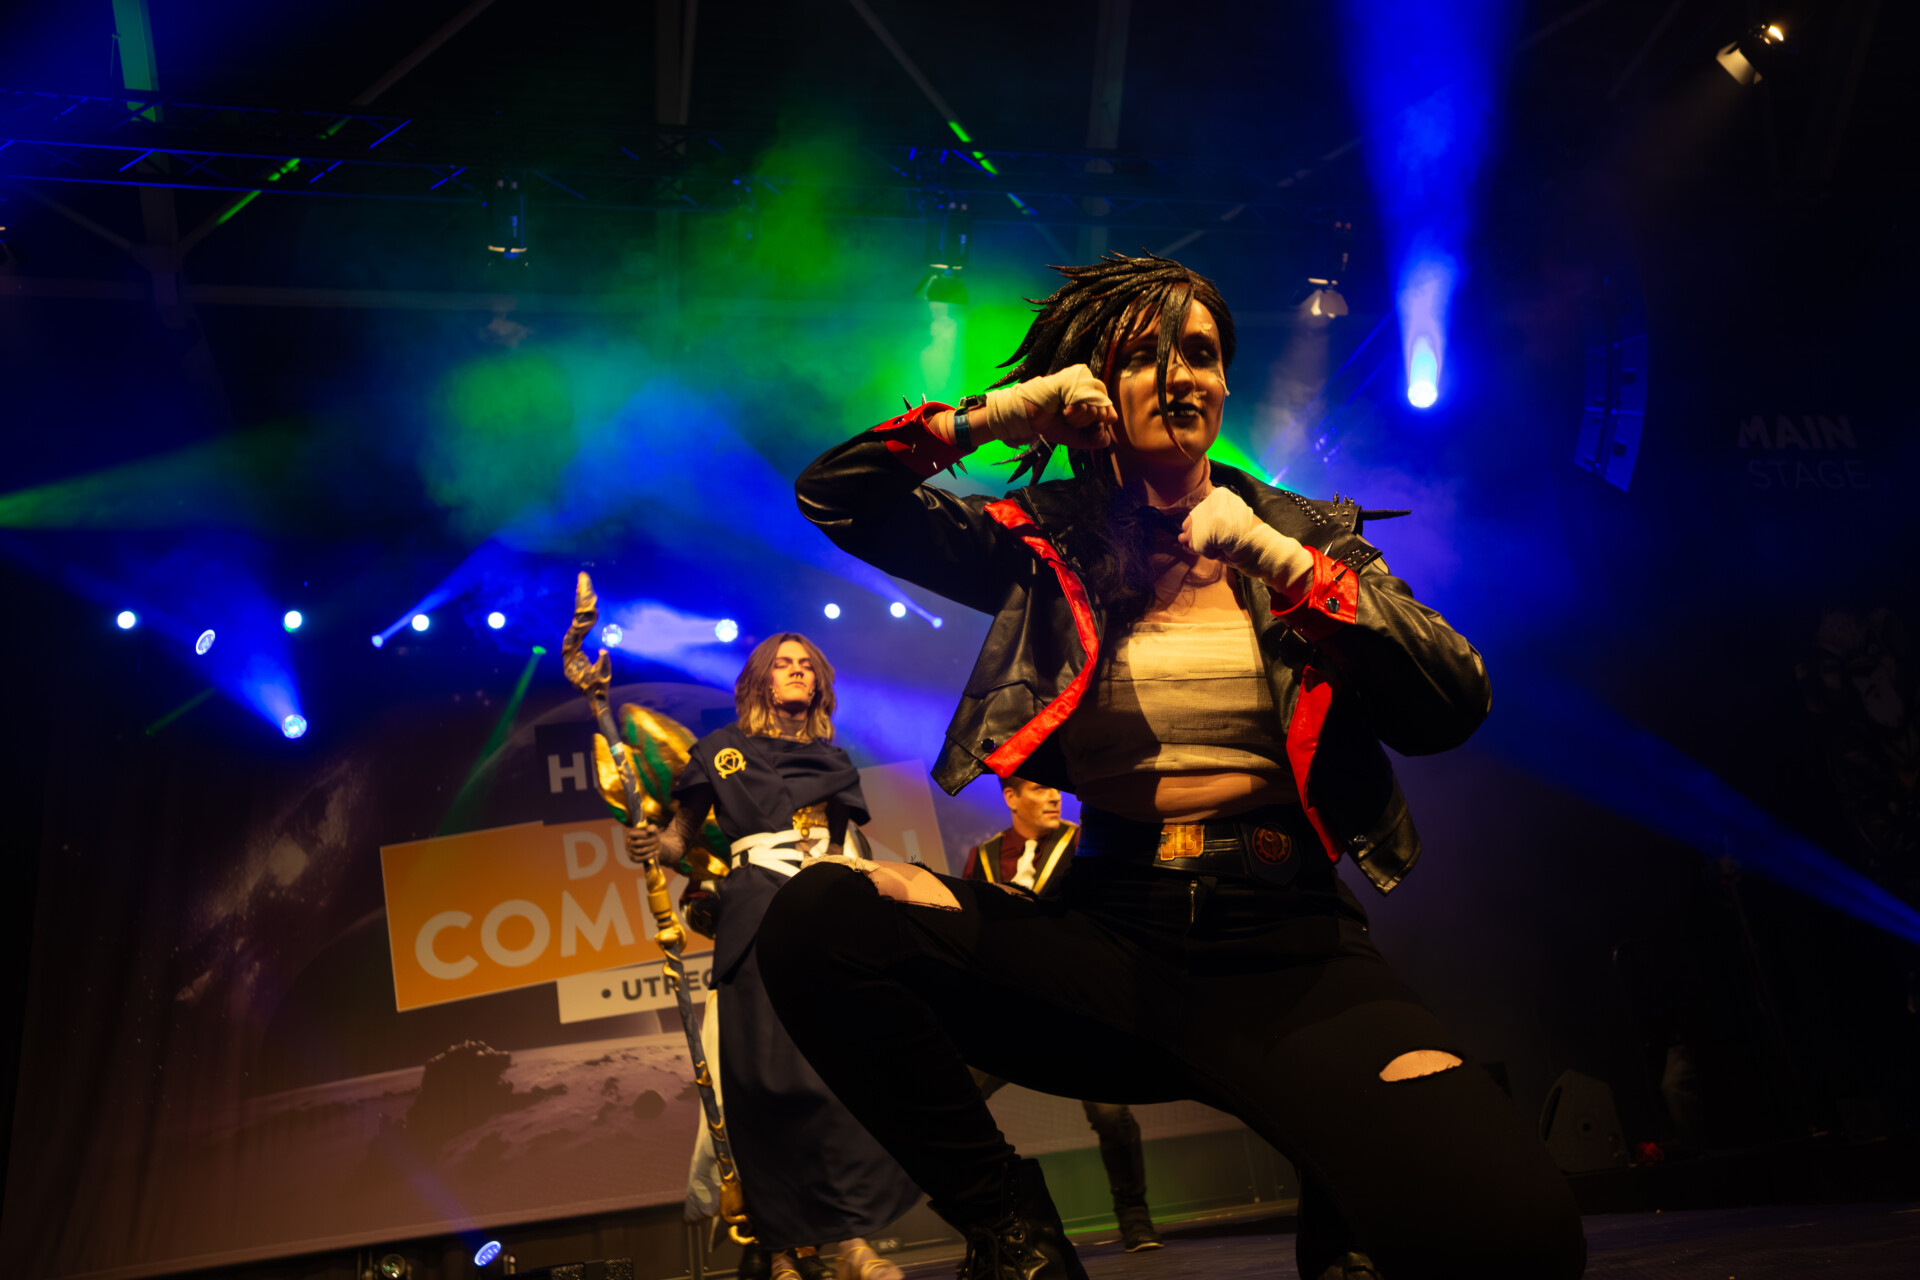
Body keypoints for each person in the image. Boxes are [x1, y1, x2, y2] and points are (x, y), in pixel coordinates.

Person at [761, 254, 1586, 1279]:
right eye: (1143, 357)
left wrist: (1286, 565)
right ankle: (1012, 1228)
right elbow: (834, 496)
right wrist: (995, 414)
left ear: (1226, 382)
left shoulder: (1303, 534)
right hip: (1107, 943)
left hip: (1288, 948)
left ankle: (1350, 1205)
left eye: (1198, 353)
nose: (1179, 376)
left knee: (1522, 1242)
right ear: (1096, 389)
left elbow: (1453, 701)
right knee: (821, 921)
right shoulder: (1040, 539)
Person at [634, 634, 918, 1280]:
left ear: (819, 685)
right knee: (764, 1088)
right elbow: (680, 841)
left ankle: (852, 1246)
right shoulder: (720, 752)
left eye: (808, 666)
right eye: (785, 664)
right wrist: (654, 843)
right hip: (756, 916)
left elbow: (849, 845)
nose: (798, 673)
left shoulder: (832, 758)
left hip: (829, 914)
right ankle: (784, 1250)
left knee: (842, 1080)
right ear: (762, 679)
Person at [960, 778, 1163, 1253]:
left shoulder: (1084, 843)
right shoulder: (984, 857)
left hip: (1077, 1005)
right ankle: (995, 1226)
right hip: (1010, 1013)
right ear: (1011, 798)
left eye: (1056, 787)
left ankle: (1135, 1219)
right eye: (1038, 788)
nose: (1054, 795)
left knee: (1113, 1115)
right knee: (958, 1096)